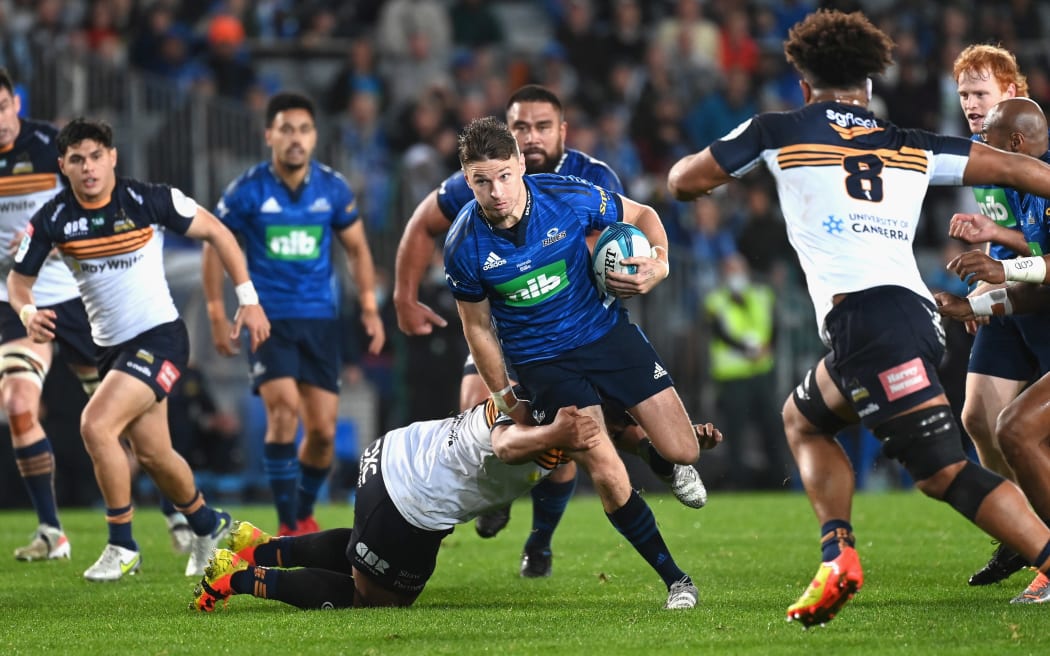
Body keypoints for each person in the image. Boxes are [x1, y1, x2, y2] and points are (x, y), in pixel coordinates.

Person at [666, 9, 1050, 626]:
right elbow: (1018, 168)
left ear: (803, 85)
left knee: (944, 473)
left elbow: (683, 178)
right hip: (901, 320)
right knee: (803, 418)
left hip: (873, 324)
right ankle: (837, 555)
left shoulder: (778, 129)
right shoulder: (910, 143)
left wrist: (723, 173)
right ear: (869, 86)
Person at [393, 85, 705, 577]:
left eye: (502, 177)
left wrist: (657, 266)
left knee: (683, 448)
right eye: (480, 182)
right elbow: (476, 327)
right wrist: (504, 398)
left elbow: (642, 216)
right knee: (593, 460)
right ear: (466, 181)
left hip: (602, 331)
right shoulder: (463, 243)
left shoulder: (579, 188)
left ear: (520, 163)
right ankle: (673, 579)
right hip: (540, 358)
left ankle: (661, 453)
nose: (495, 192)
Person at [8, 117, 270, 581]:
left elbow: (218, 232)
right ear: (62, 165)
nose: (88, 168)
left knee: (96, 425)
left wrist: (248, 301)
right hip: (111, 350)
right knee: (153, 454)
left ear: (112, 157)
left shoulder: (149, 199)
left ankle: (122, 545)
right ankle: (210, 525)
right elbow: (18, 281)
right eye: (76, 160)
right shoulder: (52, 219)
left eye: (95, 157)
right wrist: (27, 314)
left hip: (161, 339)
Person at [193, 400, 718, 611]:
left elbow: (617, 431)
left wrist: (671, 446)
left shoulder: (553, 369)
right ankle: (236, 579)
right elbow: (509, 443)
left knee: (366, 551)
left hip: (397, 454)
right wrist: (555, 432)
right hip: (409, 499)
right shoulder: (542, 402)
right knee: (373, 598)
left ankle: (261, 548)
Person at [203, 91, 385, 537]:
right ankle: (287, 523)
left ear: (315, 136)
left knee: (322, 433)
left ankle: (302, 511)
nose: (295, 138)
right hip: (269, 321)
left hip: (321, 322)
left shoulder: (333, 188)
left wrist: (368, 306)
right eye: (286, 129)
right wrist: (214, 311)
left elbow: (358, 248)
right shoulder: (247, 190)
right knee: (283, 412)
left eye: (303, 129)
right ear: (269, 135)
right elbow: (216, 246)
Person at [935, 96, 1050, 603]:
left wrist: (1003, 270)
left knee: (1018, 428)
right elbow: (1038, 288)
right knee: (1008, 426)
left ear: (1018, 144)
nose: (983, 149)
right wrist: (975, 310)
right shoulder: (1026, 189)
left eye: (992, 140)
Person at [951, 44, 1038, 586]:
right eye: (963, 94)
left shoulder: (1031, 146)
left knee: (1027, 431)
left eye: (980, 93)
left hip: (1035, 294)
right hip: (1006, 296)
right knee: (978, 416)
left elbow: (1040, 239)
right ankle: (1017, 533)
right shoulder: (981, 151)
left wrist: (996, 243)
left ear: (1011, 93)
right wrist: (985, 286)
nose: (970, 103)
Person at [0, 69, 87, 562]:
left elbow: (94, 202)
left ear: (15, 102)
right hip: (15, 299)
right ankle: (52, 532)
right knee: (17, 404)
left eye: (2, 106)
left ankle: (179, 514)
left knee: (126, 415)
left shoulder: (52, 146)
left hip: (76, 295)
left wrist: (44, 237)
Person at [704, 253, 789, 489]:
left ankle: (779, 481)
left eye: (738, 269)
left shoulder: (762, 295)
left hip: (762, 373)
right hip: (732, 377)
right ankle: (739, 481)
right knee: (735, 432)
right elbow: (719, 332)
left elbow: (774, 325)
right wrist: (746, 349)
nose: (735, 275)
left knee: (772, 427)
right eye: (730, 270)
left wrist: (767, 347)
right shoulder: (715, 300)